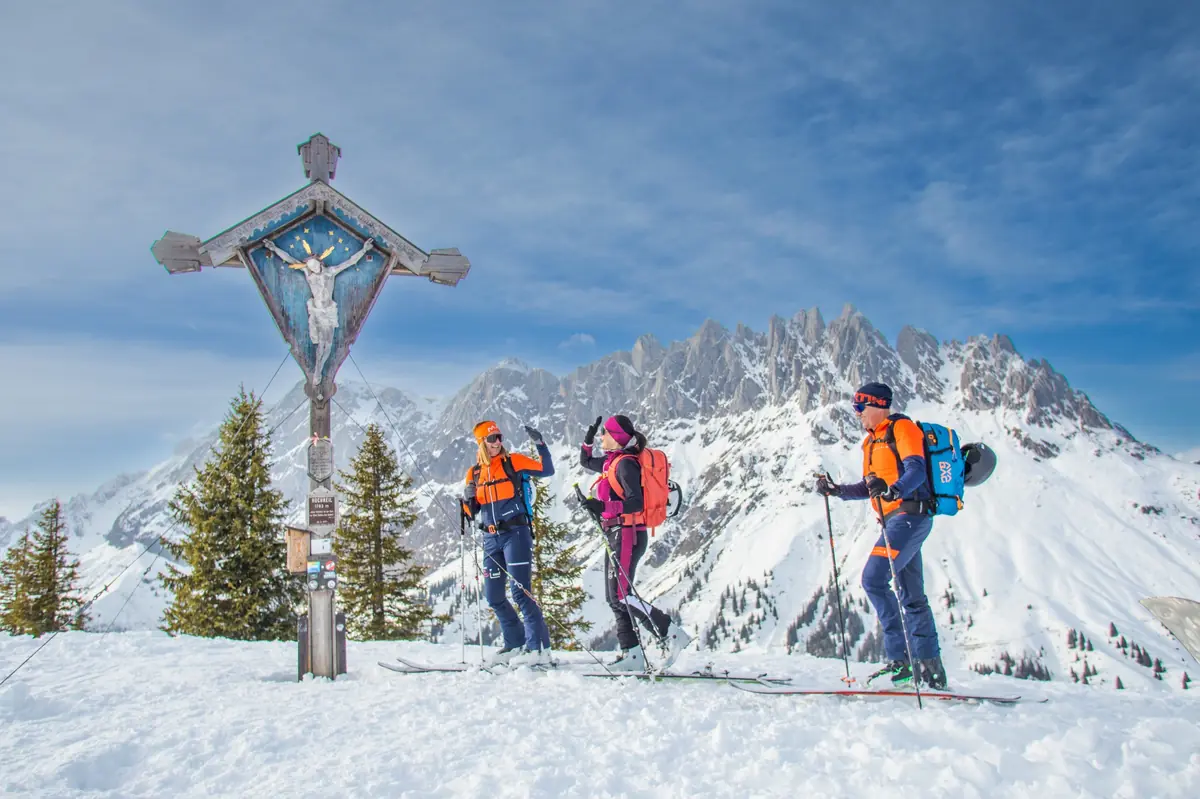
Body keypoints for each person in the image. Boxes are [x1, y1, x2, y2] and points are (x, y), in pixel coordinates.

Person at [815, 383, 947, 689]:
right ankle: (931, 671)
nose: (857, 414)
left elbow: (916, 470)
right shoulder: (871, 442)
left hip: (908, 516)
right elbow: (868, 486)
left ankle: (899, 663)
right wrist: (836, 491)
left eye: (860, 408)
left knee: (873, 580)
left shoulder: (902, 429)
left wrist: (893, 490)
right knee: (911, 596)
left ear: (877, 405)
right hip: (895, 521)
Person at [580, 414, 692, 672]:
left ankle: (669, 632)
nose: (601, 438)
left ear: (617, 437)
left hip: (628, 533)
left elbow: (637, 501)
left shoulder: (625, 465)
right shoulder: (611, 463)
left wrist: (604, 506)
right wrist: (587, 439)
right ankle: (631, 654)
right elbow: (585, 461)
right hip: (617, 532)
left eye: (604, 434)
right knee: (615, 597)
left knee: (621, 595)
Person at [463, 420, 554, 667]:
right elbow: (472, 511)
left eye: (499, 437)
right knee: (493, 596)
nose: (498, 443)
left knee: (521, 592)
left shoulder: (513, 462)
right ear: (482, 443)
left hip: (516, 533)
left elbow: (547, 470)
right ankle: (515, 644)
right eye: (492, 439)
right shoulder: (474, 473)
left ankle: (539, 648)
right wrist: (467, 500)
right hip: (490, 538)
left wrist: (540, 444)